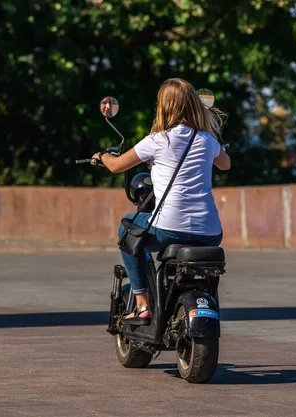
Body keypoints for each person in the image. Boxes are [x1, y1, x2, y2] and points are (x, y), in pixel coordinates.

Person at [92, 78, 231, 324]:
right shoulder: (207, 140)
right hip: (211, 232)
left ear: (163, 106)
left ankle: (142, 304)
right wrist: (214, 146)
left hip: (169, 230)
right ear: (194, 105)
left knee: (127, 227)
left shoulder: (157, 140)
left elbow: (115, 166)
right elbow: (226, 164)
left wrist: (102, 156)